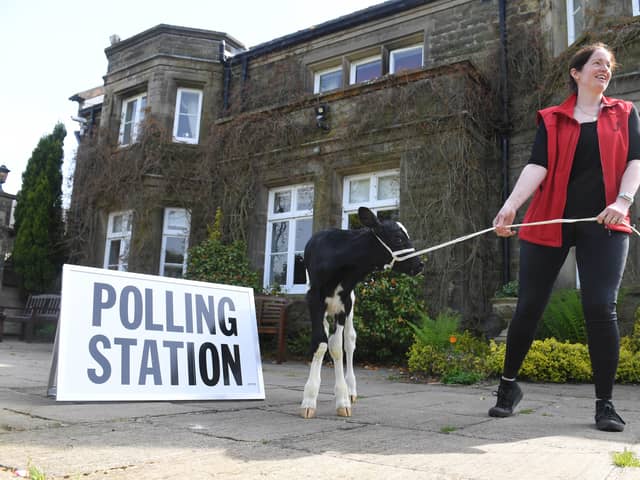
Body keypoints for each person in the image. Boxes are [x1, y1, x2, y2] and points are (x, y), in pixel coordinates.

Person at [489, 42, 640, 432]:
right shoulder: (552, 119)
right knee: (529, 307)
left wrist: (623, 202)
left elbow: (635, 162)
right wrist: (511, 206)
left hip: (605, 222)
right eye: (596, 63)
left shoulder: (624, 114)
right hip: (549, 220)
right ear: (576, 72)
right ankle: (507, 388)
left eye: (608, 64)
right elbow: (537, 166)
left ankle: (605, 405)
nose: (604, 69)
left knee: (599, 308)